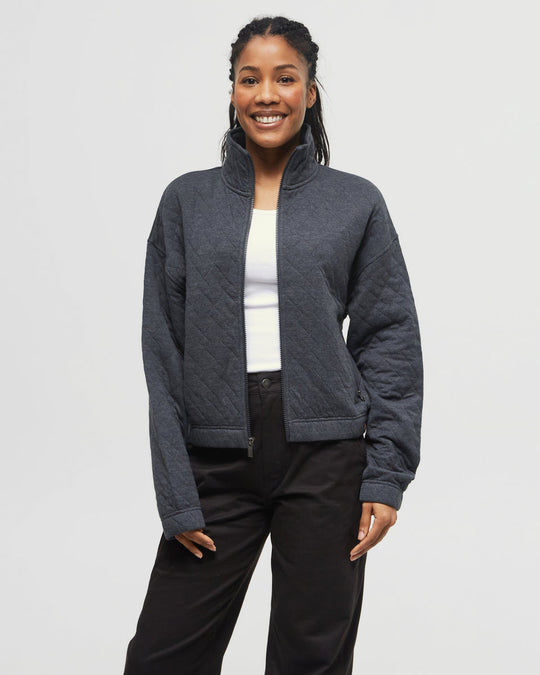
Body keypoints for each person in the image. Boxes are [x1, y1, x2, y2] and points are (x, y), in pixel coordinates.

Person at [123, 15, 423, 675]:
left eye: (285, 78)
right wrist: (175, 487)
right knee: (161, 658)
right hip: (215, 456)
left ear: (309, 91)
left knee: (310, 659)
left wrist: (386, 473)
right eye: (249, 78)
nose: (266, 95)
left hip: (326, 457)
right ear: (232, 90)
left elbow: (389, 337)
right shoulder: (187, 202)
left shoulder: (355, 202)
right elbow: (163, 351)